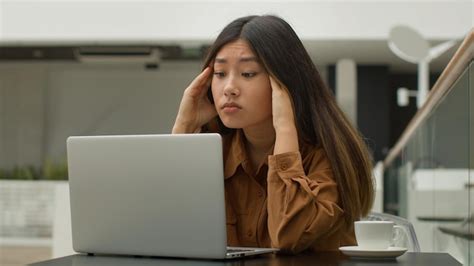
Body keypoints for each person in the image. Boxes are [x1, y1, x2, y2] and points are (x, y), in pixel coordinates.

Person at [172, 15, 374, 254]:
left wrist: (285, 128)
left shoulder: (327, 155)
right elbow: (166, 229)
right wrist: (183, 127)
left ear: (284, 82)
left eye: (248, 73)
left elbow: (288, 237)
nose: (229, 88)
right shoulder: (214, 154)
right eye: (220, 73)